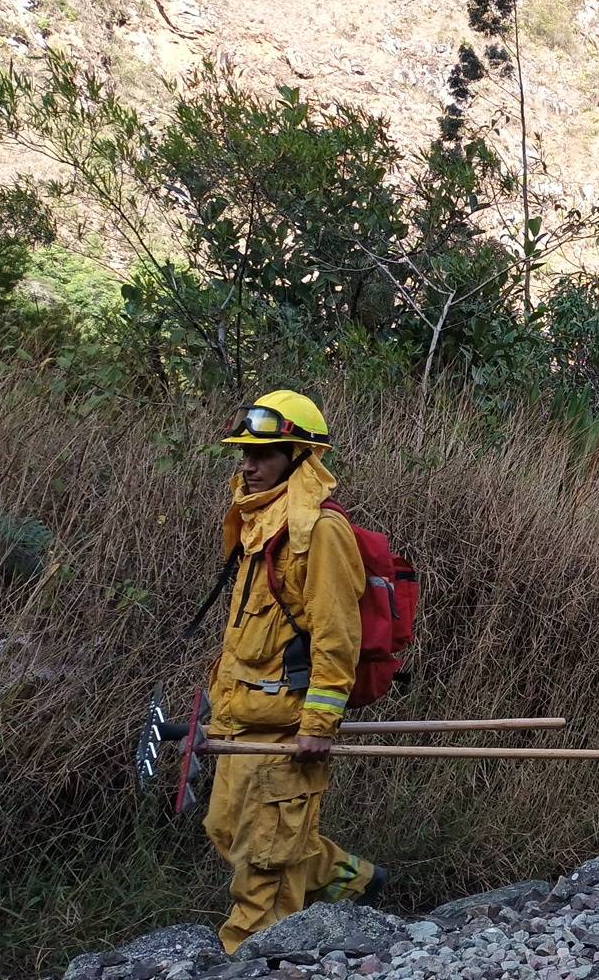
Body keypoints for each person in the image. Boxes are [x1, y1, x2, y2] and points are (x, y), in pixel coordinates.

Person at [205, 390, 381, 954]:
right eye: (245, 455)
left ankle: (249, 957)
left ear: (299, 457)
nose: (248, 466)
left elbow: (337, 638)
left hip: (287, 730)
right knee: (229, 833)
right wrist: (219, 711)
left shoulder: (319, 531)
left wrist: (317, 726)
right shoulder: (260, 527)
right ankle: (356, 882)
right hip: (243, 722)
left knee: (263, 866)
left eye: (264, 455)